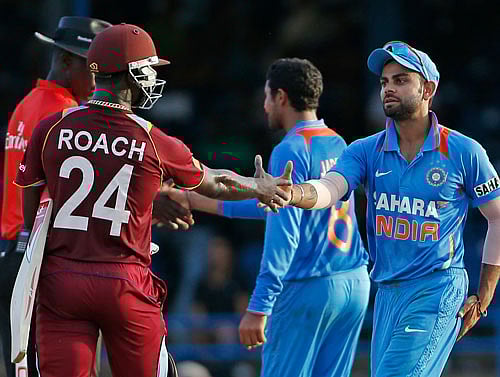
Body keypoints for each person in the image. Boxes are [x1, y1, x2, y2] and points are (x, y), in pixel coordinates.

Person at [14, 23, 291, 377]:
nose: (152, 78)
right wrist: (259, 187)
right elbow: (215, 183)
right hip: (124, 281)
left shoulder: (51, 127)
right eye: (148, 69)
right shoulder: (153, 139)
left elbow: (32, 211)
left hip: (62, 279)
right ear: (132, 73)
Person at [271, 42, 500, 376]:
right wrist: (292, 193)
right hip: (387, 291)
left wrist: (485, 293)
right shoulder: (365, 150)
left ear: (428, 89)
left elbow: (497, 215)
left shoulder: (464, 150)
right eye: (384, 82)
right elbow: (330, 189)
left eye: (401, 80)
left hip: (436, 287)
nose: (389, 88)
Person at [168, 58, 370, 377]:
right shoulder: (336, 141)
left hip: (309, 285)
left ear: (281, 97)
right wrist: (193, 199)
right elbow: (278, 208)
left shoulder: (290, 149)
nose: (264, 106)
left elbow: (284, 235)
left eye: (266, 96)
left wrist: (259, 306)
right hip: (353, 283)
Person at [0, 16, 112, 377]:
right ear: (66, 61)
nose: (99, 81)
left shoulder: (25, 105)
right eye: (93, 69)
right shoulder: (66, 115)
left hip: (11, 254)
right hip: (39, 261)